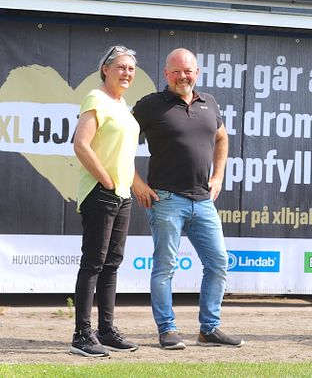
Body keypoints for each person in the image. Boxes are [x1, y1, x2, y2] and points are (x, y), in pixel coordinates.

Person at [132, 48, 243, 350]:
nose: (183, 76)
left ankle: (209, 329)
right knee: (165, 267)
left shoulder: (209, 103)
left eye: (188, 70)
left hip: (203, 201)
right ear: (166, 74)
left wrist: (218, 175)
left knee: (218, 263)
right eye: (177, 71)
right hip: (166, 199)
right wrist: (136, 182)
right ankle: (167, 330)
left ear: (197, 72)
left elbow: (221, 138)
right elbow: (119, 143)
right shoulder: (149, 106)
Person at [70, 45, 140, 357]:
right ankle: (82, 336)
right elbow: (81, 145)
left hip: (122, 195)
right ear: (106, 70)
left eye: (131, 69)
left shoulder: (123, 105)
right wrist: (107, 181)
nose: (127, 73)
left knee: (112, 265)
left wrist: (124, 186)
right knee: (94, 263)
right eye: (121, 67)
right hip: (101, 193)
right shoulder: (95, 99)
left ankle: (106, 330)